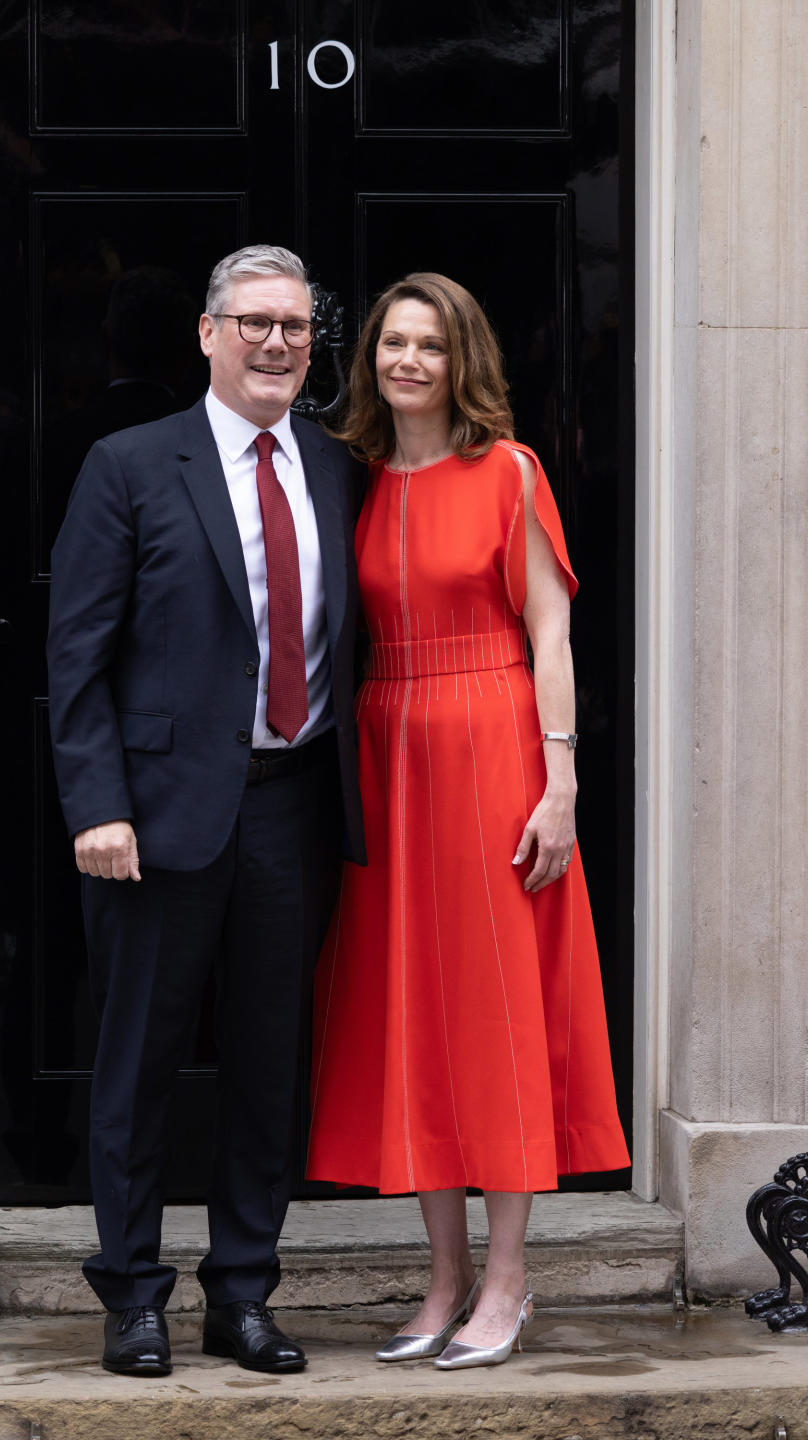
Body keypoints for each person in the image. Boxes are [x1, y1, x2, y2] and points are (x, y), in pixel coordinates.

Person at [47, 244, 365, 1378]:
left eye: (294, 327)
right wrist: (98, 802)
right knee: (134, 1065)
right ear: (207, 333)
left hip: (293, 812)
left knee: (268, 1066)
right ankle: (131, 1293)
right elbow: (76, 653)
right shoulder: (130, 464)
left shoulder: (335, 467)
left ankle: (243, 1292)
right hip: (155, 818)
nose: (276, 344)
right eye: (254, 324)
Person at [306, 273, 629, 1370]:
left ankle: (507, 1281)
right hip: (386, 753)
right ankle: (441, 1280)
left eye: (429, 347)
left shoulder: (509, 470)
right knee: (416, 1013)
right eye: (393, 343)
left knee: (492, 1015)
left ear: (462, 361)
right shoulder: (355, 479)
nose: (407, 362)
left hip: (492, 743)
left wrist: (562, 783)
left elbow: (551, 635)